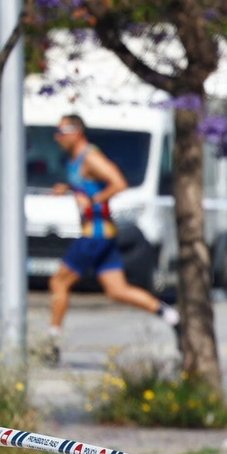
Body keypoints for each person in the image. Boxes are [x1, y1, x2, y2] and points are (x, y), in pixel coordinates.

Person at [47, 115, 178, 363]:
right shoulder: (75, 160)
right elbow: (88, 186)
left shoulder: (90, 157)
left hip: (94, 235)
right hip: (103, 235)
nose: (57, 137)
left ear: (77, 131)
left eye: (62, 131)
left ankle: (51, 344)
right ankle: (172, 317)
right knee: (117, 290)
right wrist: (69, 189)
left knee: (58, 283)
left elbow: (118, 183)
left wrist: (93, 202)